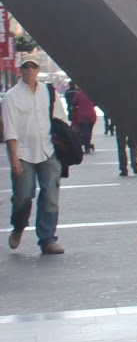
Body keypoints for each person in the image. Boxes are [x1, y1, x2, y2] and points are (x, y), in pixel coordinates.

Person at [5, 51, 69, 255]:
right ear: (20, 70)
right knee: (23, 196)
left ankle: (47, 238)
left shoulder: (48, 92)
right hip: (23, 153)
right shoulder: (11, 97)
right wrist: (13, 159)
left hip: (48, 150)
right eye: (26, 66)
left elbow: (60, 119)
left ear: (38, 69)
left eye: (33, 66)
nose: (30, 70)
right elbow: (10, 131)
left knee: (50, 196)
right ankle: (18, 226)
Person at [67, 81, 97, 152]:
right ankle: (87, 145)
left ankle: (87, 146)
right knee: (89, 131)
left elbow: (74, 103)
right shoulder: (91, 94)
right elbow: (95, 103)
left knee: (84, 131)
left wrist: (73, 109)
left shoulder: (79, 94)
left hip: (82, 115)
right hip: (92, 115)